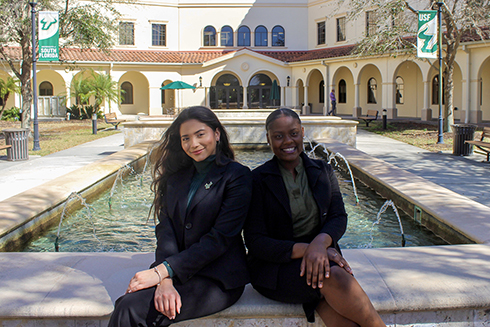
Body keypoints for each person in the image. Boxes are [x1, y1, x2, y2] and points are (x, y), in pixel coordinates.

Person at [109, 106, 252, 327]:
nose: (193, 144)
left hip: (217, 279)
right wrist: (165, 279)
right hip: (176, 271)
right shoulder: (175, 177)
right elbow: (166, 231)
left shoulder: (237, 176)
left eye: (200, 134)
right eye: (186, 138)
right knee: (128, 303)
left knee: (131, 309)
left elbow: (219, 239)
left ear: (216, 133)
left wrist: (162, 271)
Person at [244, 108, 386, 327]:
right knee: (335, 278)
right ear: (268, 139)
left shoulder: (323, 170)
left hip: (321, 258)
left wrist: (321, 242)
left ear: (302, 132)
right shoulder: (257, 180)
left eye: (293, 133)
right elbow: (255, 242)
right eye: (278, 136)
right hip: (276, 268)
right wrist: (312, 250)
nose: (287, 141)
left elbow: (338, 216)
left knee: (341, 315)